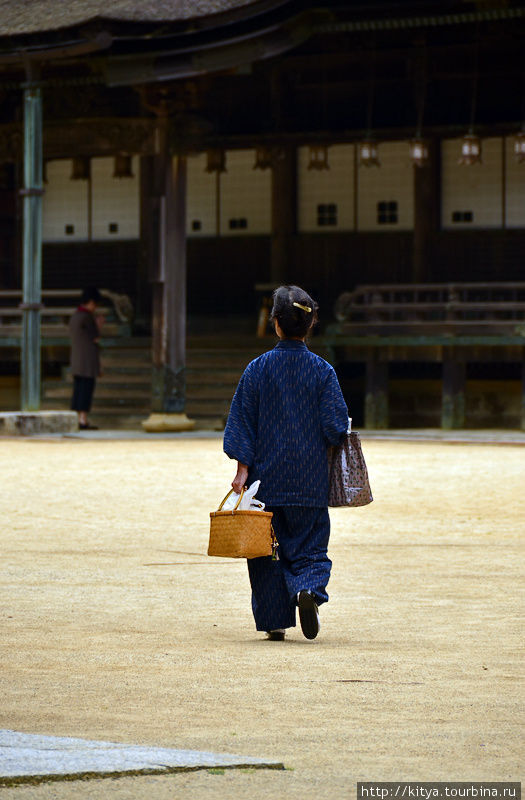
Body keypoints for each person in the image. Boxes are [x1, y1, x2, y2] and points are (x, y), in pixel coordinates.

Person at [223, 285, 349, 641]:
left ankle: (275, 620)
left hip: (266, 480)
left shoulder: (257, 369)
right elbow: (336, 427)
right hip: (310, 480)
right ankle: (308, 590)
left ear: (275, 323)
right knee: (310, 545)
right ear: (309, 325)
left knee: (266, 550)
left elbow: (242, 422)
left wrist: (242, 469)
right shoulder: (323, 372)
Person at [69, 287, 103, 430]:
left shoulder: (75, 316)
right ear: (90, 302)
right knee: (86, 389)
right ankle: (83, 419)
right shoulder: (87, 317)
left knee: (78, 389)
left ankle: (78, 418)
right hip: (87, 360)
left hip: (77, 359)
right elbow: (95, 337)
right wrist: (99, 325)